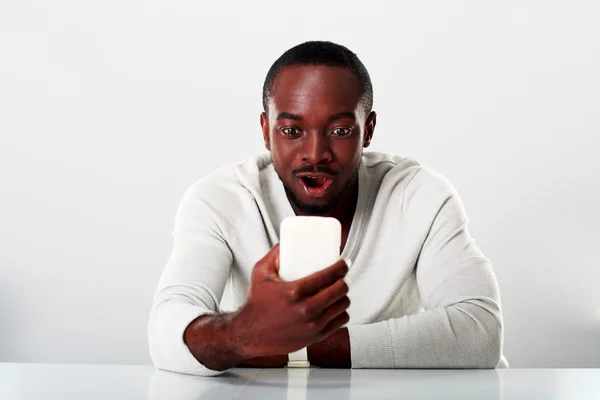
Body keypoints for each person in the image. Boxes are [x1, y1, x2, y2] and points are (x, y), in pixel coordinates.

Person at [148, 41, 508, 376]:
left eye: (339, 130)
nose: (315, 153)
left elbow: (480, 332)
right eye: (291, 131)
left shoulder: (419, 195)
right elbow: (165, 334)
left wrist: (283, 344)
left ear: (367, 130)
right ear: (265, 130)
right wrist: (244, 332)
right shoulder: (222, 198)